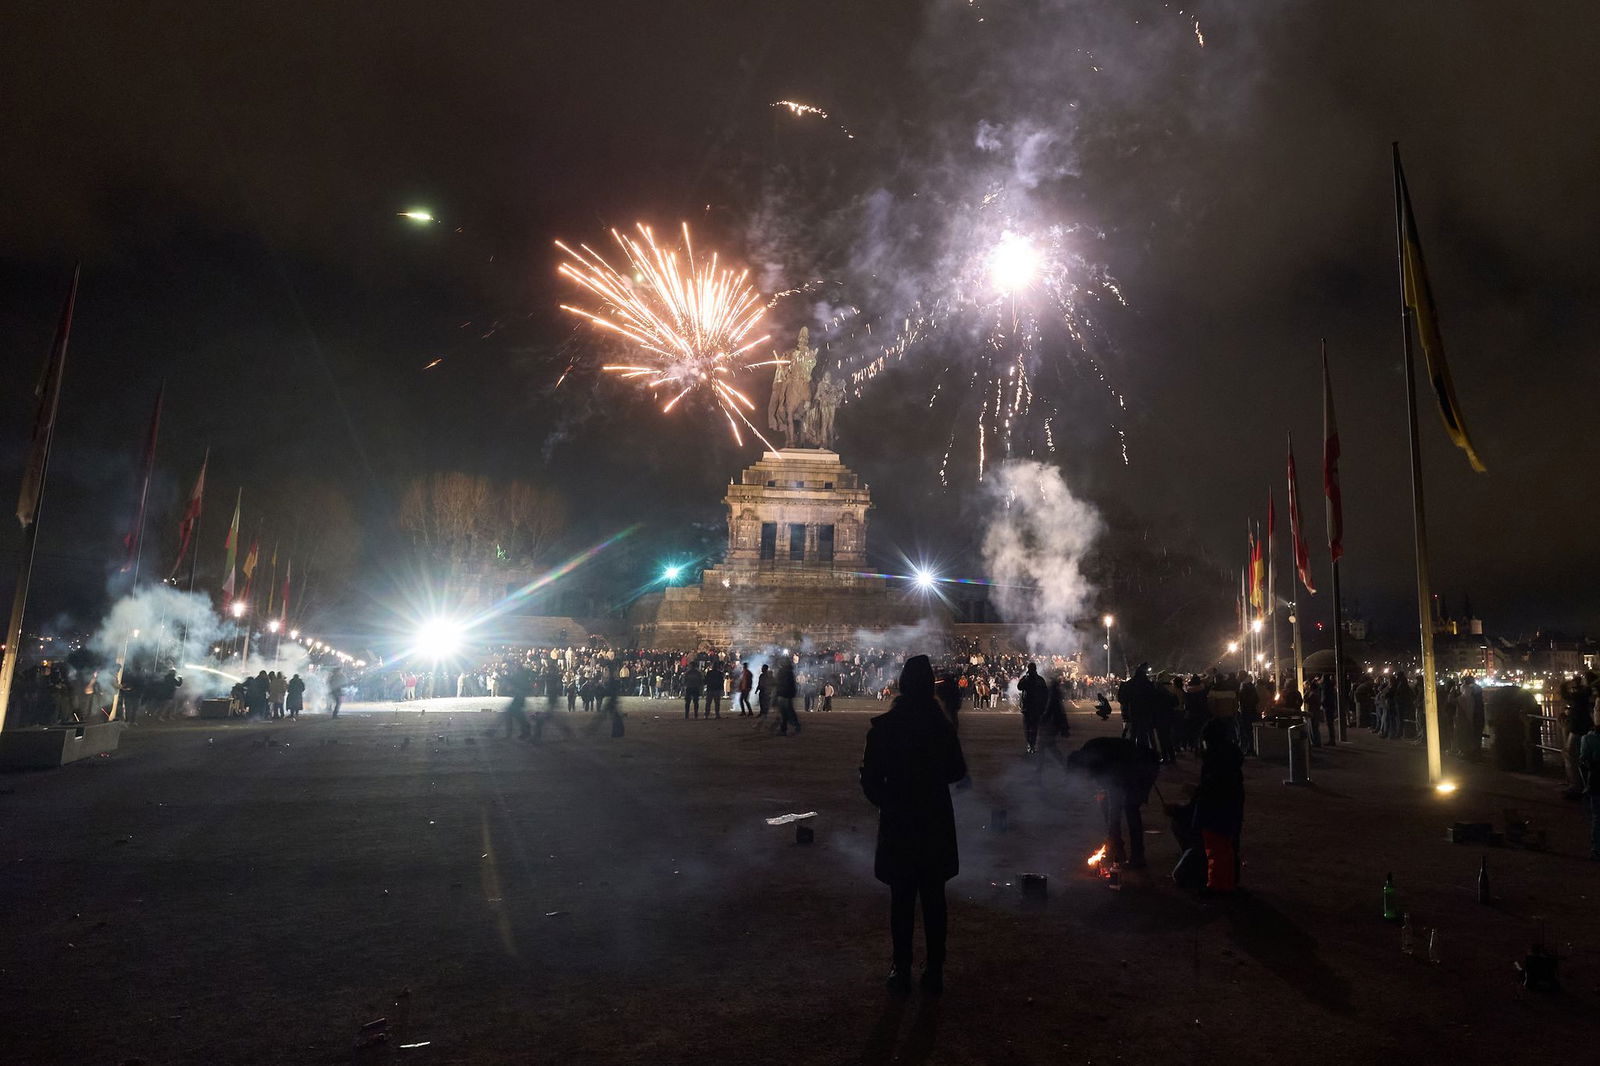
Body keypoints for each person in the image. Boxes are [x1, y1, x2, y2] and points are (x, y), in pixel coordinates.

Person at [859, 655, 968, 993]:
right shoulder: (941, 727)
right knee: (934, 900)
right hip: (933, 818)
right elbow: (957, 771)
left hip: (901, 820)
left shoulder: (887, 727)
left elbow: (870, 780)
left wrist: (889, 801)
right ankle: (934, 969)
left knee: (902, 900)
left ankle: (901, 967)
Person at [1066, 734, 1161, 868]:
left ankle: (1137, 857)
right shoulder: (1091, 753)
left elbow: (1115, 794)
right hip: (1132, 768)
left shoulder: (1097, 759)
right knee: (1112, 805)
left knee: (1131, 808)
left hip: (1143, 768)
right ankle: (1116, 848)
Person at [1192, 718, 1245, 892]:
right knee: (1227, 846)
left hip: (1216, 807)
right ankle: (1228, 881)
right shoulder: (1230, 755)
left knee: (1216, 848)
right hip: (1231, 804)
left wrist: (1197, 792)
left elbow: (1213, 784)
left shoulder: (1216, 757)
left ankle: (1218, 886)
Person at [1017, 662, 1048, 754]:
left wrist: (1024, 678)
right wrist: (1043, 706)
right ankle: (1032, 744)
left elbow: (1019, 687)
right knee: (1034, 727)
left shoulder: (1028, 679)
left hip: (1028, 706)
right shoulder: (1040, 679)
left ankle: (1030, 744)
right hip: (1035, 707)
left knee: (1028, 727)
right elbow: (1045, 694)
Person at [503, 661, 533, 740]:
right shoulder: (522, 676)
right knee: (517, 715)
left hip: (519, 697)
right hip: (519, 697)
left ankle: (512, 733)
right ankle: (525, 731)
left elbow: (513, 681)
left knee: (513, 714)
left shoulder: (520, 676)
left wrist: (506, 677)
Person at [775, 659, 800, 735]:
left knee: (785, 712)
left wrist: (778, 691)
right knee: (788, 711)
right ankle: (793, 725)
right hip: (786, 694)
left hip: (783, 693)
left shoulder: (784, 672)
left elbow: (781, 683)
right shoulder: (789, 672)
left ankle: (786, 728)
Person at [1236, 675, 1260, 755]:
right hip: (1252, 711)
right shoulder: (1252, 687)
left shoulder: (1244, 688)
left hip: (1245, 712)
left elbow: (1241, 700)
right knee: (1250, 731)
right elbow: (1257, 699)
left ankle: (1248, 748)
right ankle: (1251, 748)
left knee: (1246, 731)